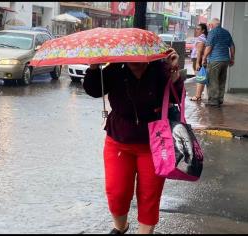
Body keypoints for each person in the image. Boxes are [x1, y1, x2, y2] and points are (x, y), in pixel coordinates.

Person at [83, 48, 183, 234]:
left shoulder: (160, 70)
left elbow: (177, 96)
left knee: (149, 196)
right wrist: (94, 67)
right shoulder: (115, 69)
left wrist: (174, 72)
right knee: (117, 192)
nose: (135, 61)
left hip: (155, 143)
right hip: (119, 139)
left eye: (139, 58)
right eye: (131, 57)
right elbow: (94, 89)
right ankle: (120, 228)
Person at [202, 18, 235, 107]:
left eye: (209, 25)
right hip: (225, 60)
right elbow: (232, 46)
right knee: (221, 80)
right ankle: (220, 99)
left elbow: (209, 47)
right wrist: (232, 58)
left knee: (213, 80)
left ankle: (213, 101)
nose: (209, 27)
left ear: (211, 25)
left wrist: (204, 58)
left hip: (215, 60)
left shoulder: (212, 33)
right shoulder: (226, 32)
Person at [190, 23, 208, 102]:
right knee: (201, 77)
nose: (196, 31)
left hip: (197, 59)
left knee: (199, 78)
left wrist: (197, 63)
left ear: (203, 30)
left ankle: (197, 96)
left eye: (198, 29)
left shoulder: (201, 38)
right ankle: (199, 95)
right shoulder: (204, 38)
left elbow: (199, 51)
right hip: (199, 59)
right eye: (196, 29)